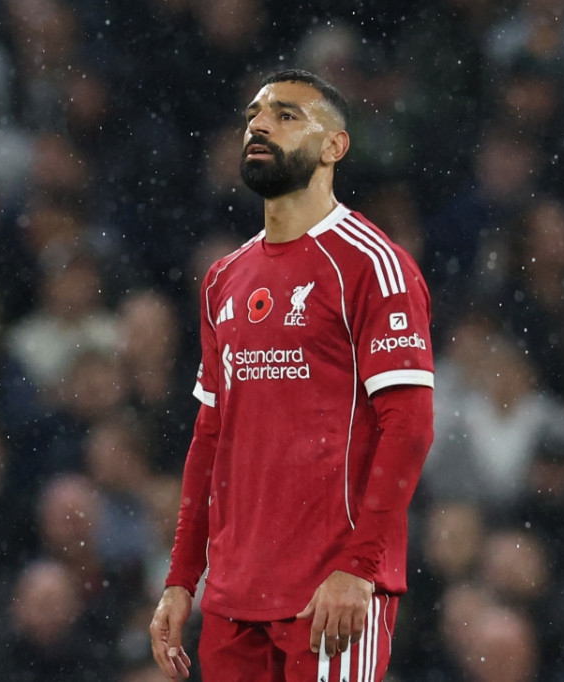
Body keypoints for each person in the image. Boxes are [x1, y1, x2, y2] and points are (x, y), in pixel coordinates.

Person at [148, 69, 435, 682]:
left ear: (334, 146)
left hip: (329, 594)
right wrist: (181, 579)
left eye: (285, 115)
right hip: (232, 601)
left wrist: (358, 568)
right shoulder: (223, 278)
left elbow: (409, 427)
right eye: (254, 115)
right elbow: (210, 439)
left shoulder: (374, 266)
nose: (258, 125)